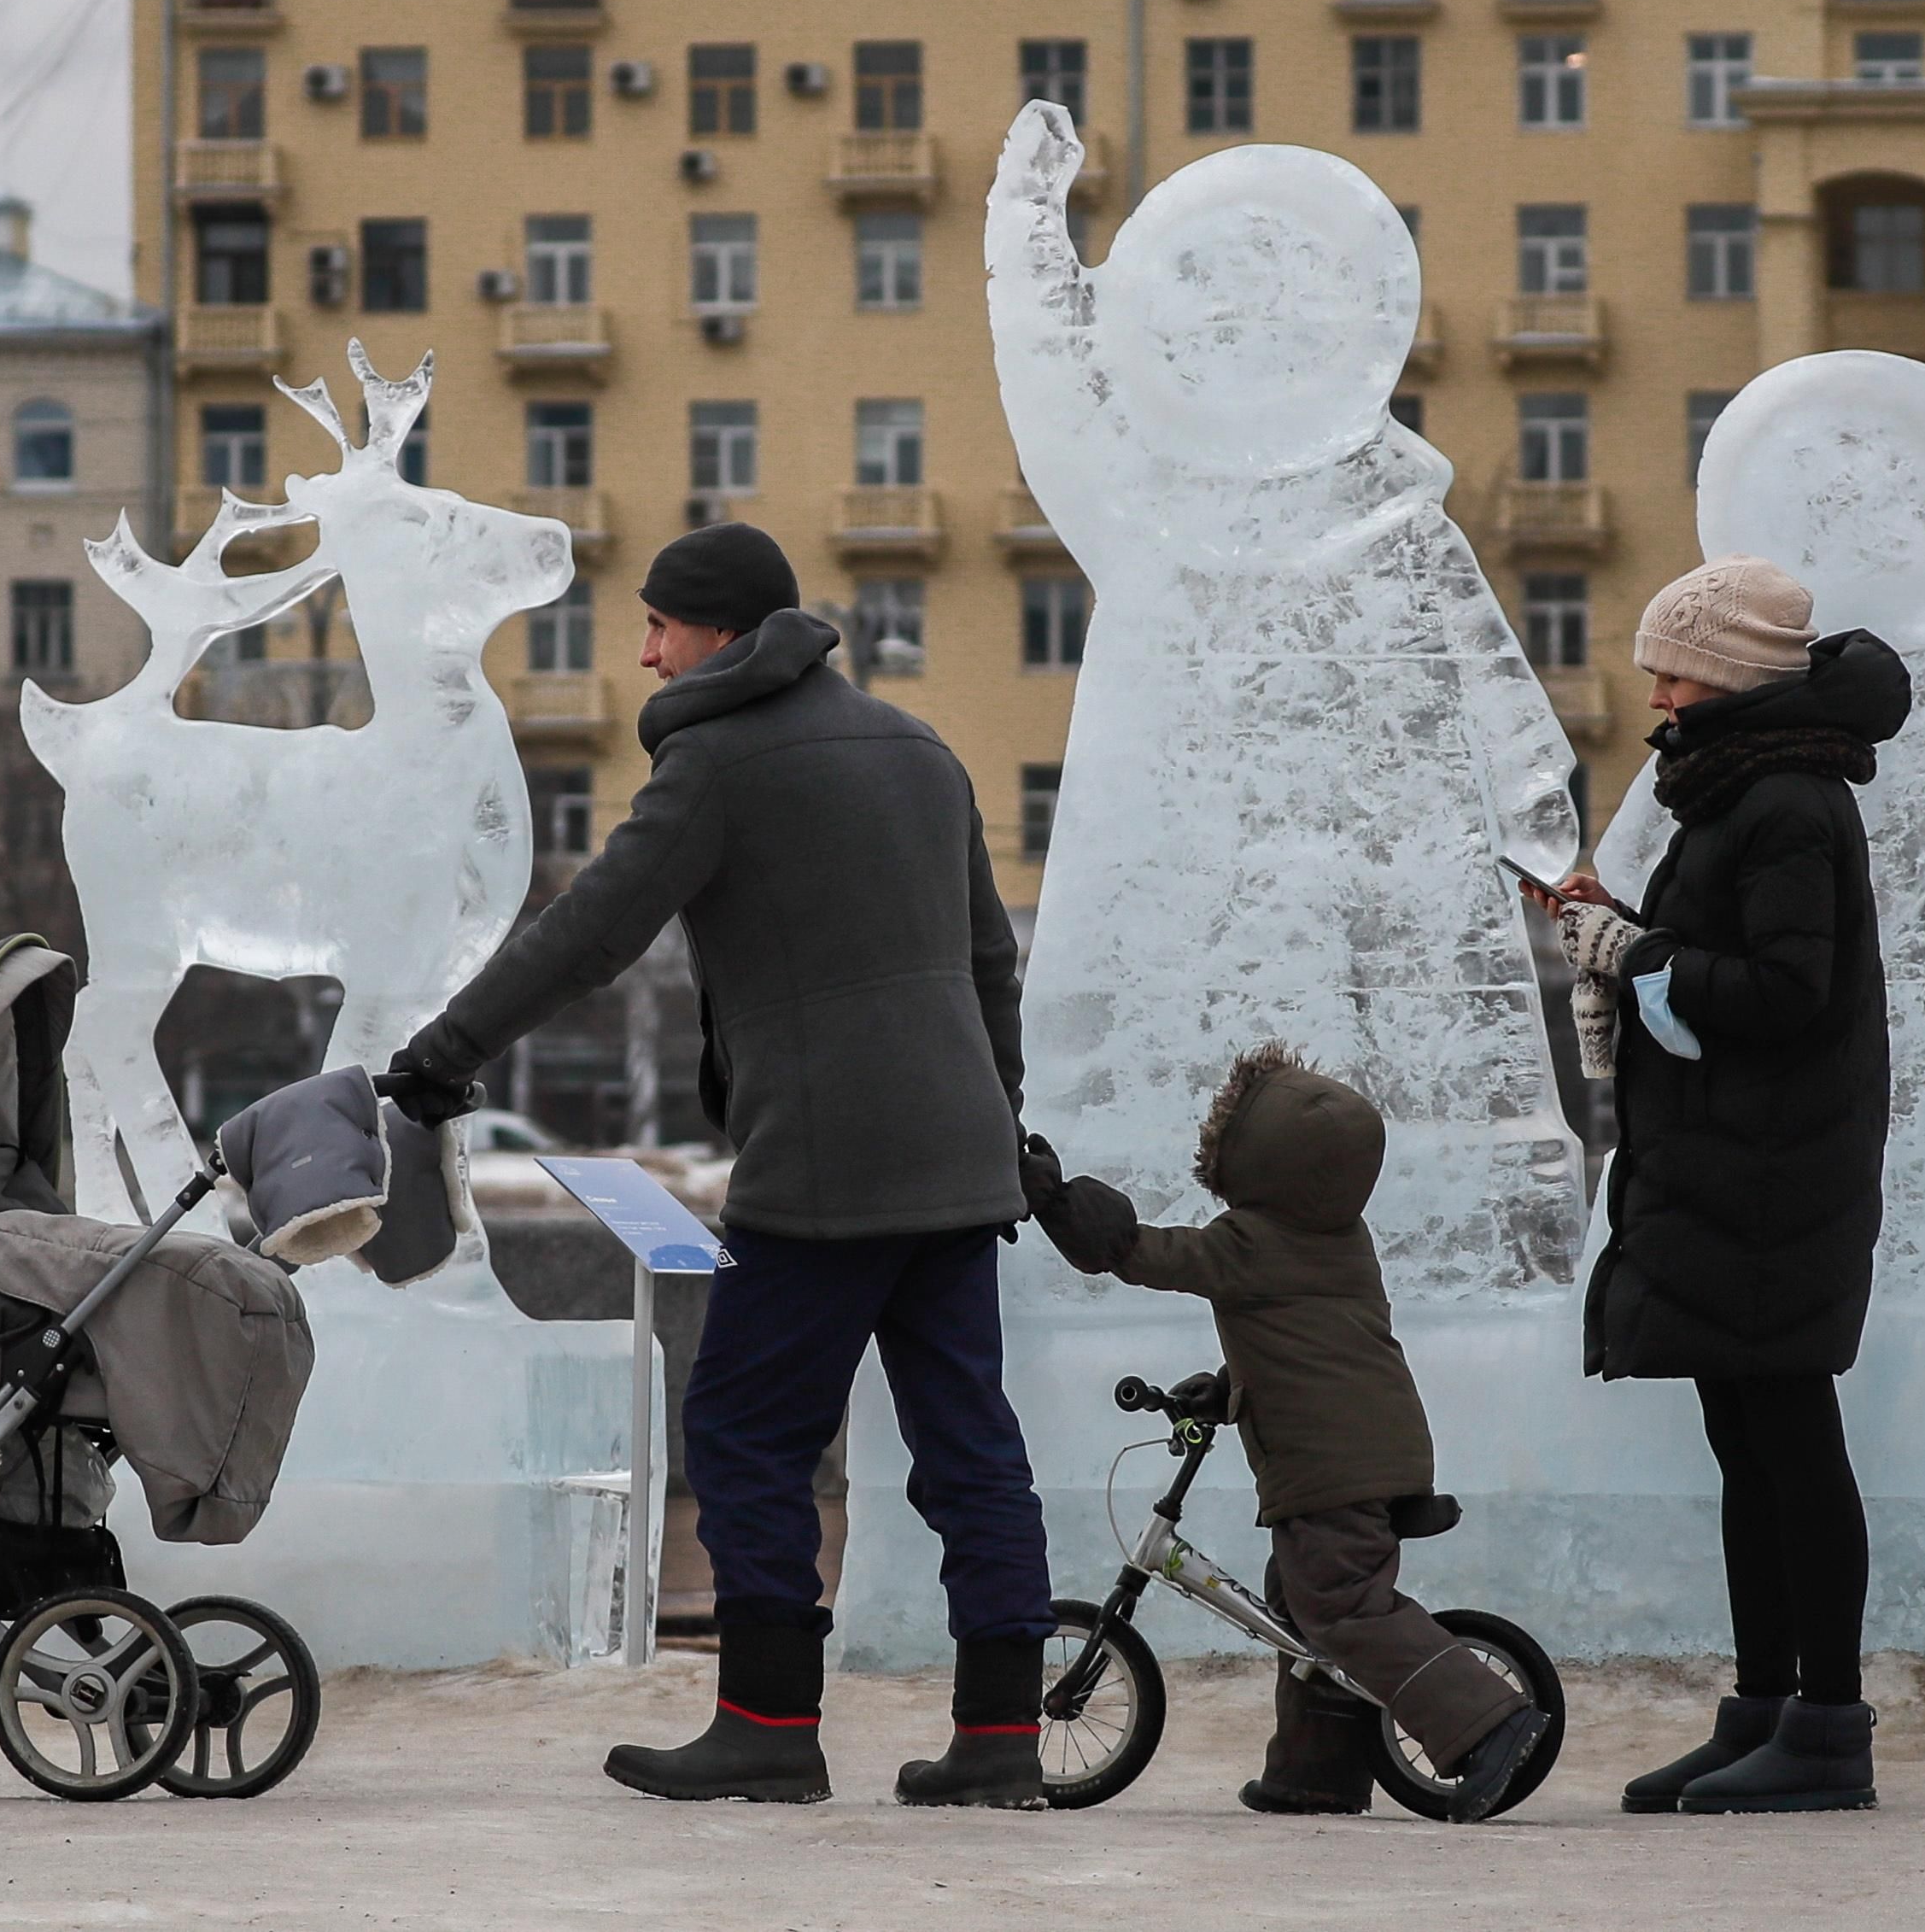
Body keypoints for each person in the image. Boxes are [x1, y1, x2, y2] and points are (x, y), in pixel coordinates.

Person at [383, 520, 1048, 1808]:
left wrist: (441, 1052)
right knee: (972, 1445)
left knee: (743, 1433)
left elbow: (591, 933)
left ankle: (766, 1724)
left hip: (823, 1168)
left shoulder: (721, 764)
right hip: (959, 1163)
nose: (641, 652)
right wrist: (996, 1126)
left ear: (724, 634)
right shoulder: (922, 750)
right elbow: (989, 967)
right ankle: (1002, 1737)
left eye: (660, 626)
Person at [1542, 557, 1907, 1815]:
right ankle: (1764, 1709)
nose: (1655, 690)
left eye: (1675, 666)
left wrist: (1637, 948)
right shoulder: (1740, 792)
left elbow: (1785, 998)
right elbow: (1731, 963)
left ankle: (1827, 1726)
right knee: (1750, 1452)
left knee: (1790, 1449)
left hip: (1775, 1178)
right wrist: (1623, 923)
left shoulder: (1788, 802)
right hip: (1735, 1170)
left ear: (1738, 676)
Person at [1021, 1046, 1552, 1822]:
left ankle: (1490, 1721)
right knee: (1300, 1605)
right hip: (1370, 1446)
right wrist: (1229, 1385)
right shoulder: (1338, 1236)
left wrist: (1061, 1203)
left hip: (1330, 1463)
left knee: (1342, 1609)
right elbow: (1307, 1336)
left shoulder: (1250, 1241)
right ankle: (1316, 1770)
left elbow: (1148, 1256)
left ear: (1255, 1160)